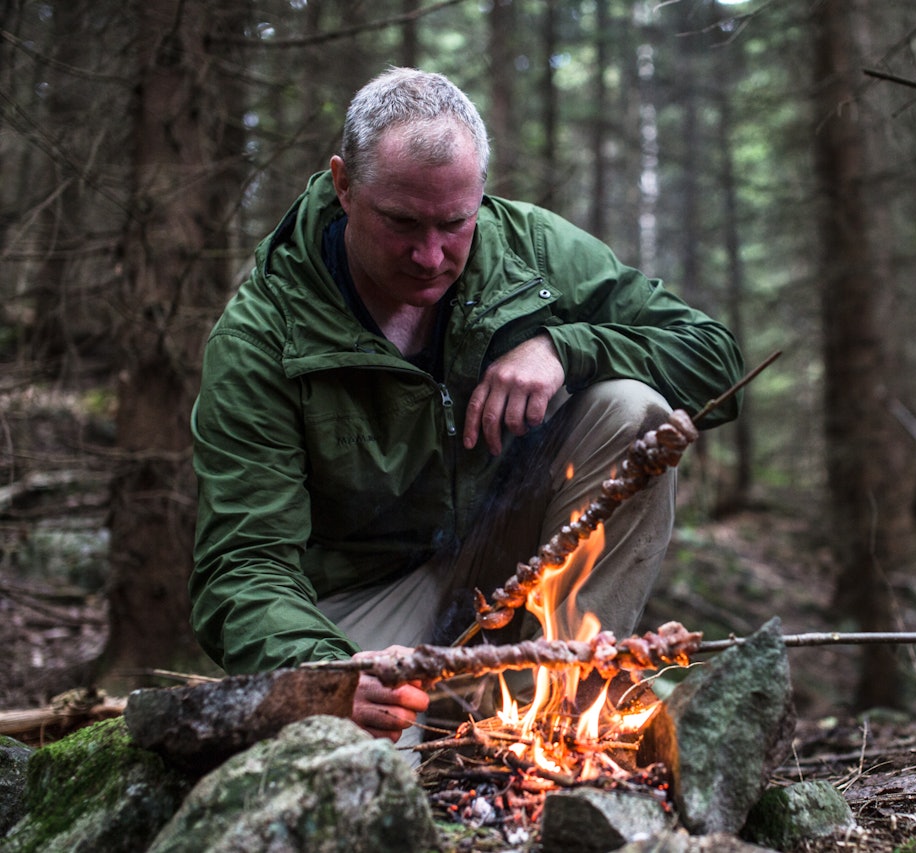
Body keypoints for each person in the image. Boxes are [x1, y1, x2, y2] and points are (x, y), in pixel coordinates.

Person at [189, 67, 743, 748]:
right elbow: (241, 566)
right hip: (359, 608)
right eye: (401, 223)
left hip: (504, 557)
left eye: (455, 223)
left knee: (635, 411)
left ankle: (562, 719)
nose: (430, 255)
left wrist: (569, 347)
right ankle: (448, 720)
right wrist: (325, 670)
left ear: (480, 193)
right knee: (358, 757)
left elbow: (716, 359)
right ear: (343, 185)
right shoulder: (263, 334)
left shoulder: (531, 251)